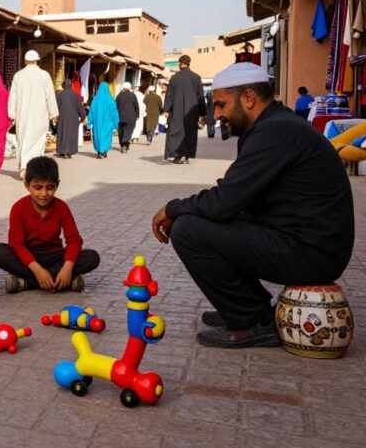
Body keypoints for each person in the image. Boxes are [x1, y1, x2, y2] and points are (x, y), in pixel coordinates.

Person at [151, 63, 354, 349]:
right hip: (308, 244)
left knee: (188, 229)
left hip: (313, 254)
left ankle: (250, 323)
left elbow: (223, 202)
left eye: (221, 104)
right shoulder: (274, 125)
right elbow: (234, 197)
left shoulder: (275, 131)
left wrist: (173, 208)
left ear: (248, 97)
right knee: (212, 221)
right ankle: (254, 311)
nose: (217, 114)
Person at [0, 156, 100, 293]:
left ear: (57, 185)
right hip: (29, 257)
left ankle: (26, 282)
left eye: (50, 188)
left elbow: (74, 240)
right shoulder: (18, 208)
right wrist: (38, 270)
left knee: (92, 257)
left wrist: (67, 268)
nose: (44, 194)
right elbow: (17, 244)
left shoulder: (61, 207)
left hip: (55, 256)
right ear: (27, 185)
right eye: (37, 187)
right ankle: (58, 280)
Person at [8, 50, 58, 175]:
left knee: (23, 140)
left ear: (25, 61)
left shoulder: (18, 76)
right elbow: (50, 96)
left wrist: (11, 114)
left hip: (22, 115)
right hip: (39, 115)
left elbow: (12, 97)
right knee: (38, 141)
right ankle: (33, 168)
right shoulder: (44, 75)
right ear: (37, 60)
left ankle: (24, 166)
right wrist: (54, 113)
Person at [163, 55, 206, 164]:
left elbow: (169, 95)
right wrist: (203, 112)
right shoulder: (196, 77)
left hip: (177, 110)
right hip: (192, 111)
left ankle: (177, 155)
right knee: (190, 132)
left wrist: (166, 109)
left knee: (176, 132)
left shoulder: (174, 78)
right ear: (189, 63)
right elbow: (200, 96)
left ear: (180, 63)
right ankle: (186, 155)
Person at [87, 81, 118, 159]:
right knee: (106, 136)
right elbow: (114, 112)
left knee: (98, 135)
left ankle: (99, 151)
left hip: (97, 123)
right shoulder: (111, 99)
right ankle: (103, 151)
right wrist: (116, 123)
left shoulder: (95, 99)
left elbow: (91, 112)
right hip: (108, 123)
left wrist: (89, 122)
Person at [55, 83, 86, 159]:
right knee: (71, 135)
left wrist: (54, 117)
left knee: (62, 133)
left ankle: (63, 151)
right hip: (73, 119)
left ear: (63, 86)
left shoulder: (59, 95)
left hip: (62, 118)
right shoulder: (75, 95)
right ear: (71, 85)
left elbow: (55, 107)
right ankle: (69, 152)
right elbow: (80, 107)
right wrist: (82, 117)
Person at [115, 82, 140, 154]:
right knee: (128, 131)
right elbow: (136, 106)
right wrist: (137, 114)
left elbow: (115, 106)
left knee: (121, 132)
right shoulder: (132, 95)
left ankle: (123, 144)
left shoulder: (119, 96)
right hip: (131, 117)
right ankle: (125, 145)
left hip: (120, 117)